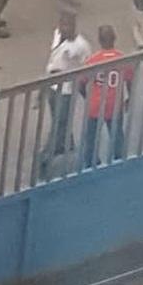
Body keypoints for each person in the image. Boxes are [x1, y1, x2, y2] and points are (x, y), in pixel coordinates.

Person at [42, 12, 92, 177]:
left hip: (67, 89)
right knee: (58, 117)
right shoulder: (57, 34)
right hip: (52, 85)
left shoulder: (81, 45)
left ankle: (46, 157)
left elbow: (87, 67)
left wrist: (83, 87)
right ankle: (68, 144)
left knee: (59, 123)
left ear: (74, 26)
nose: (64, 29)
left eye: (68, 26)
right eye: (62, 25)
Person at [80, 26, 134, 168]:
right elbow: (130, 81)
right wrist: (129, 97)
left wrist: (87, 97)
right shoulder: (123, 59)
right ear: (115, 38)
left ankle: (90, 164)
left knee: (91, 138)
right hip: (114, 104)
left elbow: (81, 83)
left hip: (96, 105)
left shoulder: (92, 60)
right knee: (117, 135)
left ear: (99, 40)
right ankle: (118, 160)